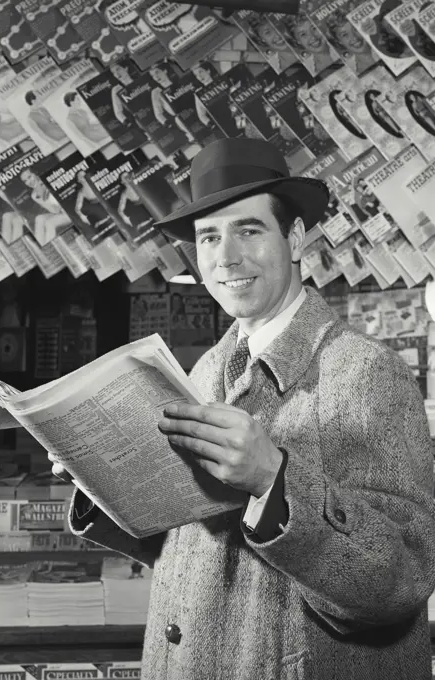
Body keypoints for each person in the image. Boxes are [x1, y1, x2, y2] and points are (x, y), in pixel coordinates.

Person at [52, 138, 435, 680]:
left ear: (295, 238)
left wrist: (273, 480)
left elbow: (401, 581)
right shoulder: (206, 370)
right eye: (209, 236)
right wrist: (102, 481)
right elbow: (188, 551)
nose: (225, 256)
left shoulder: (366, 373)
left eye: (249, 230)